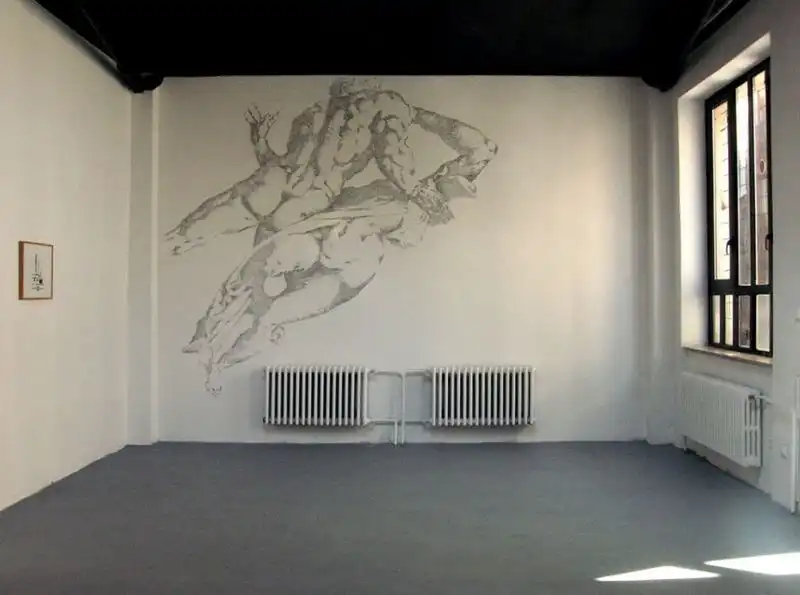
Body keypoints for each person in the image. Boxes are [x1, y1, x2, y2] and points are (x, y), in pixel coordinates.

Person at [164, 78, 498, 393]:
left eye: (455, 170)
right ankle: (207, 340)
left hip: (349, 264)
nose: (449, 168)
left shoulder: (418, 199)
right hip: (325, 232)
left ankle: (220, 364)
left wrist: (415, 114)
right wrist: (414, 114)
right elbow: (301, 170)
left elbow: (483, 147)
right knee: (259, 270)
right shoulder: (388, 183)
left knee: (268, 315)